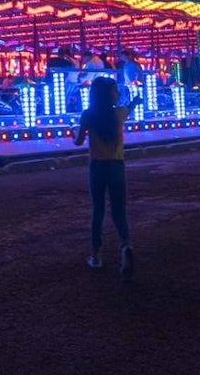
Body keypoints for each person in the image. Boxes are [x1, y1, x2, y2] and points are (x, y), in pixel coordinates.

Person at [73, 77, 138, 279]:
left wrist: (73, 132)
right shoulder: (118, 114)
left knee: (98, 210)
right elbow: (130, 108)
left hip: (97, 166)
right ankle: (125, 245)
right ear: (108, 94)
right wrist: (136, 101)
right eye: (115, 90)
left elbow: (78, 141)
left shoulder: (88, 115)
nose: (117, 93)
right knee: (119, 211)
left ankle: (96, 254)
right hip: (116, 166)